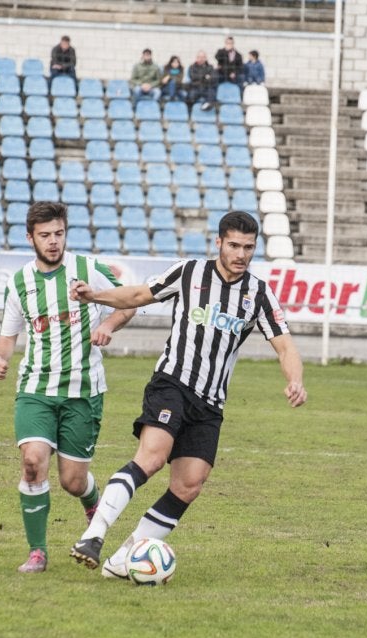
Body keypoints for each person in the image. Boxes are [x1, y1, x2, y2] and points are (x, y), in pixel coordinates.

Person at [69, 211, 308, 579]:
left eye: (248, 247)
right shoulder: (188, 273)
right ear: (218, 242)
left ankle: (122, 561)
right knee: (151, 458)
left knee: (189, 484)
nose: (241, 254)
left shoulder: (258, 294)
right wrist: (94, 296)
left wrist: (295, 380)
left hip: (210, 403)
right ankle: (93, 536)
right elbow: (137, 295)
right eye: (233, 245)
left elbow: (285, 346)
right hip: (172, 384)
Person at [0, 201, 135, 573]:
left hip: (83, 393)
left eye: (58, 234)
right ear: (30, 238)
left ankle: (90, 503)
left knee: (72, 480)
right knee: (33, 462)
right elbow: (7, 337)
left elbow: (129, 303)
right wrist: (0, 357)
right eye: (45, 236)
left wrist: (107, 325)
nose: (53, 242)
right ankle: (37, 551)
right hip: (36, 389)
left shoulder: (87, 269)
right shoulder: (20, 282)